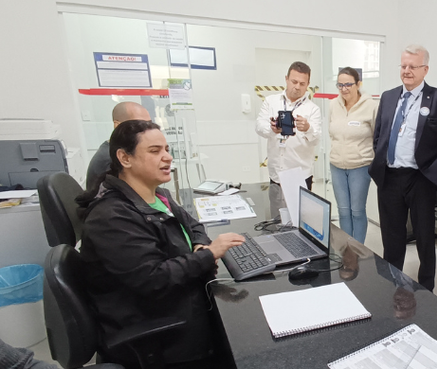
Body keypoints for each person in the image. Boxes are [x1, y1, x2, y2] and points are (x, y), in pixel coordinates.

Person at [77, 120, 245, 368]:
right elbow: (152, 279)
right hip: (160, 330)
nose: (167, 158)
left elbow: (194, 226)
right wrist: (208, 256)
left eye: (167, 150)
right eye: (155, 151)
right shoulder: (112, 217)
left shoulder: (157, 195)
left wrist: (200, 246)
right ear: (125, 158)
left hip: (175, 302)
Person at [370, 45, 437, 292]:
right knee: (392, 238)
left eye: (413, 66)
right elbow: (379, 134)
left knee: (424, 238)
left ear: (425, 69)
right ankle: (390, 285)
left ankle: (426, 291)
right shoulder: (389, 96)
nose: (407, 71)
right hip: (390, 177)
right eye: (403, 66)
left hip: (420, 179)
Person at [329, 67, 379, 244]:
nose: (344, 89)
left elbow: (377, 136)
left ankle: (357, 249)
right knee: (343, 211)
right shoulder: (333, 105)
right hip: (336, 166)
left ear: (358, 84)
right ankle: (346, 248)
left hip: (360, 166)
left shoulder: (371, 106)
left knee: (357, 211)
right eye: (340, 85)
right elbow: (332, 133)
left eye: (348, 84)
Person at [256, 61, 322, 190]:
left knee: (301, 211)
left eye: (302, 84)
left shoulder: (313, 109)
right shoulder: (271, 102)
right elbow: (259, 127)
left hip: (301, 174)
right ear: (286, 79)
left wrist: (308, 129)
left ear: (308, 84)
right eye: (294, 81)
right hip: (276, 174)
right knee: (276, 210)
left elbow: (317, 139)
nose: (297, 87)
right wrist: (272, 129)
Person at [86, 101, 150, 191]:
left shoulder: (115, 149)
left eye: (149, 124)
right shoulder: (111, 159)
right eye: (139, 125)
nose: (148, 131)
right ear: (118, 126)